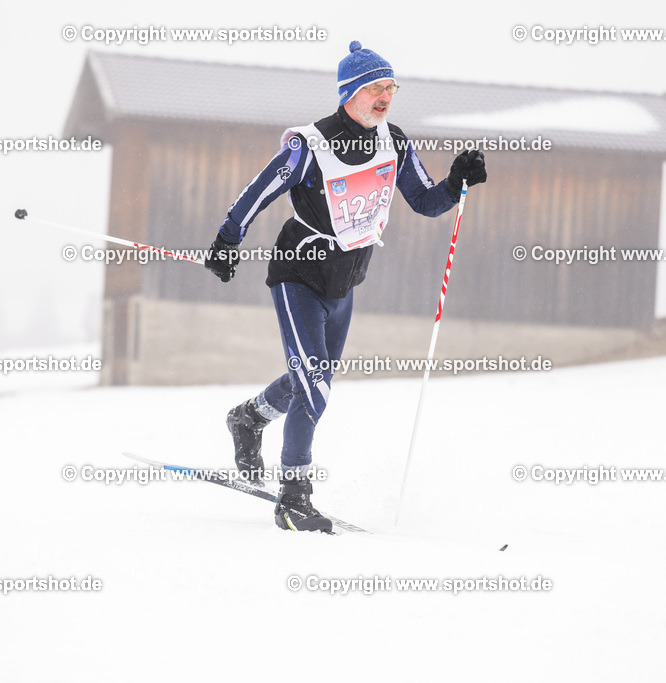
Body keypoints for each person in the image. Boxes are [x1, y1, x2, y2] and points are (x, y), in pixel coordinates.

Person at [205, 41, 487, 532]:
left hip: (345, 283)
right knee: (314, 386)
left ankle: (249, 418)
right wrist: (228, 240)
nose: (385, 97)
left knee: (308, 378)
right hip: (299, 274)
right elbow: (258, 191)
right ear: (349, 92)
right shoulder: (308, 146)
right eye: (375, 88)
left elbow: (423, 201)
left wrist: (457, 182)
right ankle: (294, 497)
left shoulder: (392, 142)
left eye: (390, 88)